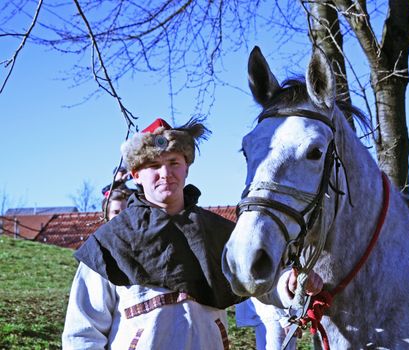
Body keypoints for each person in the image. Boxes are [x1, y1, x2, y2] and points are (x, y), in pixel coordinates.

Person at [62, 117, 322, 350]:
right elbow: (83, 334)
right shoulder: (110, 243)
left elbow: (259, 281)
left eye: (174, 162)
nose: (166, 174)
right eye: (154, 165)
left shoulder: (219, 233)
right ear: (136, 175)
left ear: (186, 167)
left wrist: (287, 282)